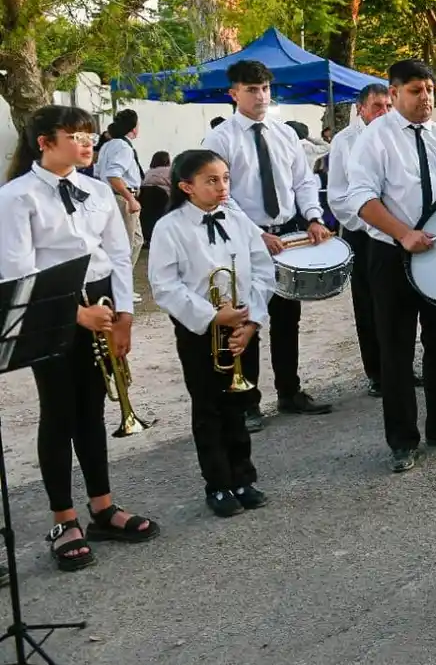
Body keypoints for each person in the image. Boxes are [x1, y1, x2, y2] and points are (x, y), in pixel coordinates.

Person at [0, 106, 160, 571]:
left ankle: (102, 507)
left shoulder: (94, 189)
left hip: (102, 302)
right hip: (51, 309)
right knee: (58, 410)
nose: (87, 142)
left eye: (90, 134)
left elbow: (118, 253)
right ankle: (63, 518)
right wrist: (76, 315)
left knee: (93, 407)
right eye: (75, 135)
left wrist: (124, 315)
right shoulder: (16, 197)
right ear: (45, 142)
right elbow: (18, 271)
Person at [345, 60, 436, 473]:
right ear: (393, 95)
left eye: (428, 89)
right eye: (414, 90)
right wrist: (403, 233)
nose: (425, 97)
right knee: (396, 350)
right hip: (392, 256)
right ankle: (402, 440)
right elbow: (361, 199)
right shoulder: (375, 139)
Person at [203, 60, 334, 430]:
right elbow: (220, 196)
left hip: (287, 233)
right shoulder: (220, 139)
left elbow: (303, 181)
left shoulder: (284, 134)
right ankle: (247, 400)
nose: (260, 96)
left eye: (264, 89)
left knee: (287, 316)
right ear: (234, 94)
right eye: (251, 90)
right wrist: (254, 234)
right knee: (249, 315)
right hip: (245, 238)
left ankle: (289, 391)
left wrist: (312, 217)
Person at [148, 149, 276, 517]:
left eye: (225, 178)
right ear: (186, 187)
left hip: (242, 327)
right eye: (211, 180)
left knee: (239, 405)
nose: (222, 187)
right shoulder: (169, 227)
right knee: (209, 409)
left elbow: (263, 272)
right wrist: (211, 316)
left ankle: (243, 478)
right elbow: (165, 286)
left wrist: (252, 323)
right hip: (200, 330)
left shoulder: (239, 221)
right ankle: (218, 484)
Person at [327, 83, 394, 395]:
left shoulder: (397, 133)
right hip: (363, 231)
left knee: (396, 302)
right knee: (368, 304)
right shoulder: (345, 141)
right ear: (361, 109)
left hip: (396, 230)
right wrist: (371, 223)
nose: (383, 112)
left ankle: (399, 366)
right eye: (377, 106)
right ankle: (377, 373)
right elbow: (339, 197)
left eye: (388, 106)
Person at [96, 108, 146, 269]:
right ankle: (120, 286)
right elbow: (113, 175)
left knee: (137, 240)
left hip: (111, 196)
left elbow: (98, 172)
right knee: (126, 245)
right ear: (133, 127)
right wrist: (130, 199)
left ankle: (124, 284)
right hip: (122, 197)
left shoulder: (108, 145)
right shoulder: (123, 147)